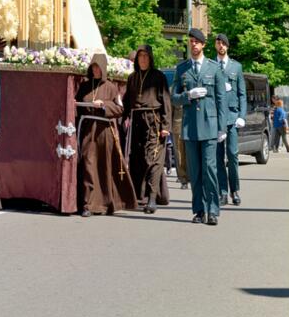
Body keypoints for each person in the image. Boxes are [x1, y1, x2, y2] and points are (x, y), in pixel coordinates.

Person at [171, 28, 228, 225]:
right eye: (191, 41)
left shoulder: (214, 69)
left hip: (211, 127)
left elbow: (221, 100)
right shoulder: (182, 69)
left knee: (210, 170)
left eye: (197, 42)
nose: (193, 44)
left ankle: (212, 210)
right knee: (194, 172)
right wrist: (188, 95)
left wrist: (223, 128)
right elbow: (174, 98)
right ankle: (198, 210)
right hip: (190, 128)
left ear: (203, 45)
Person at [75, 53, 136, 217]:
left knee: (104, 166)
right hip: (89, 130)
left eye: (98, 67)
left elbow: (120, 109)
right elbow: (77, 105)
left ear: (103, 68)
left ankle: (104, 203)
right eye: (93, 67)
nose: (95, 70)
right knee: (88, 164)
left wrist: (104, 105)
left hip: (105, 132)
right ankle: (87, 204)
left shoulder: (111, 87)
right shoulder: (84, 86)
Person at [123, 45, 171, 214]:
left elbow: (166, 101)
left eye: (145, 56)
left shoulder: (159, 77)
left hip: (154, 121)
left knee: (154, 160)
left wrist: (165, 126)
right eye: (140, 56)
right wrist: (125, 119)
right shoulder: (132, 78)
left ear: (150, 58)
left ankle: (152, 197)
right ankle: (139, 196)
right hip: (136, 121)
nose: (143, 59)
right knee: (138, 160)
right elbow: (127, 100)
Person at [213, 34, 246, 206]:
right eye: (218, 43)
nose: (221, 46)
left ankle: (235, 190)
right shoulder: (211, 66)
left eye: (224, 43)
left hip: (232, 117)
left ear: (227, 46)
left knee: (232, 154)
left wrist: (242, 115)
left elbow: (242, 93)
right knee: (218, 157)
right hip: (217, 118)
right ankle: (223, 192)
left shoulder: (236, 67)